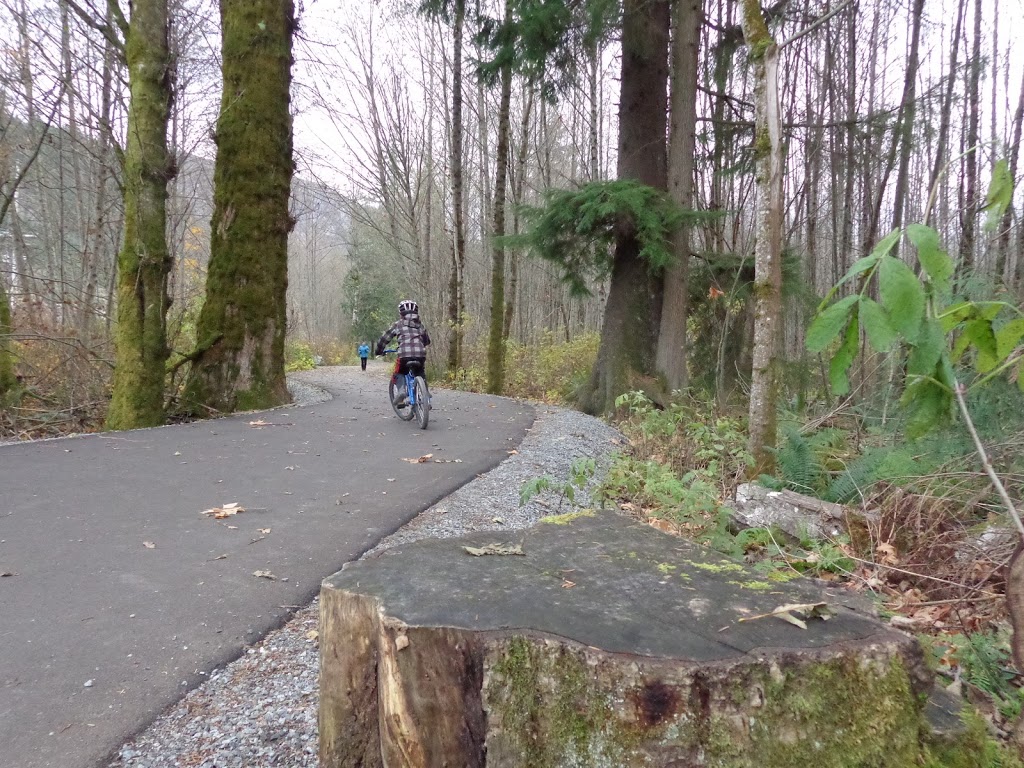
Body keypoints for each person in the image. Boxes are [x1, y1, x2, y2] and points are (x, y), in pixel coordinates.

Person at [375, 300, 431, 404]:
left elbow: (384, 339)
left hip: (404, 355)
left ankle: (401, 391)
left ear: (401, 314)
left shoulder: (398, 324)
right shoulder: (420, 325)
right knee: (420, 373)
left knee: (399, 373)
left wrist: (379, 351)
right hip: (420, 355)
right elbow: (427, 341)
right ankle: (426, 396)